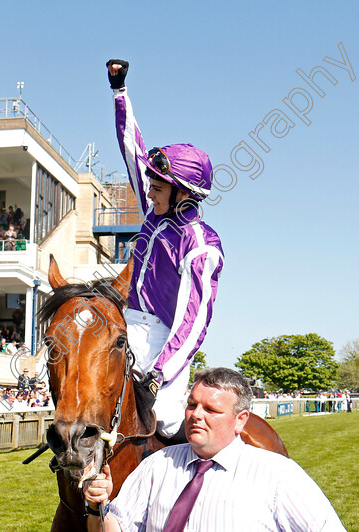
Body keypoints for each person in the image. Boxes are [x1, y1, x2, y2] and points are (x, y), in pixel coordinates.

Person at [106, 59, 223, 438]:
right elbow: (132, 150)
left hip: (165, 343)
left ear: (183, 194)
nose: (148, 190)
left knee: (167, 423)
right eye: (151, 185)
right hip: (126, 326)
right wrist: (119, 92)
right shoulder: (153, 213)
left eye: (157, 186)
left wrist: (161, 372)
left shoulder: (201, 244)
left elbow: (194, 321)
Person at [83, 368, 345, 531]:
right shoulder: (157, 464)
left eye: (211, 410)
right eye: (192, 404)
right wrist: (98, 506)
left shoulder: (279, 475)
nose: (196, 415)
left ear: (241, 420)